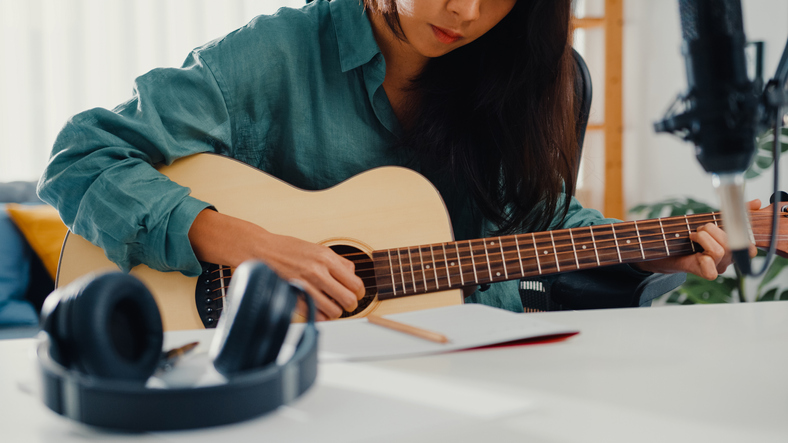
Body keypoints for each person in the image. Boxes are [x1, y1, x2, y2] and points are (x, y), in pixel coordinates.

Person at [38, 0, 755, 321]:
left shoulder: (540, 80)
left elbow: (535, 219)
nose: (465, 11)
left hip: (483, 361)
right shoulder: (278, 54)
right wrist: (246, 244)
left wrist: (642, 252)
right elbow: (79, 156)